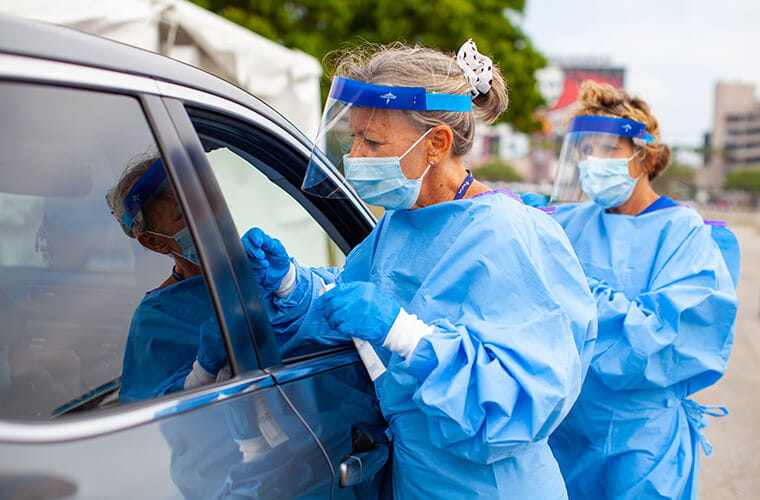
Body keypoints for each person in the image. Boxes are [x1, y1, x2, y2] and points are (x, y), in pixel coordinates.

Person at [243, 40, 597, 498]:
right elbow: (352, 301)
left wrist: (406, 337)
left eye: (372, 141)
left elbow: (522, 403)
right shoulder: (401, 220)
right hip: (420, 476)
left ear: (436, 143)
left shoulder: (507, 235)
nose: (355, 155)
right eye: (353, 137)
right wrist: (293, 285)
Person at [544, 81, 738, 499]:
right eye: (584, 149)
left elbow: (664, 336)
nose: (592, 161)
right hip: (565, 430)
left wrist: (580, 292)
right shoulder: (571, 221)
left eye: (607, 149)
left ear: (643, 156)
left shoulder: (681, 231)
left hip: (640, 443)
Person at [106, 156, 226, 403]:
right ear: (154, 241)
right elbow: (159, 411)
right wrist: (205, 375)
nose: (209, 215)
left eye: (207, 199)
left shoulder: (263, 268)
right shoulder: (158, 320)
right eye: (185, 214)